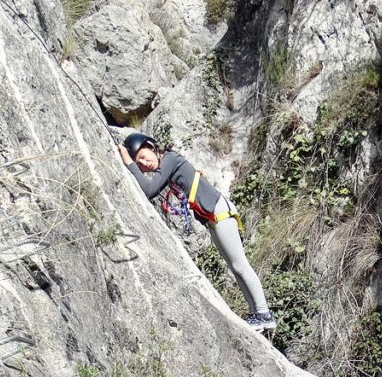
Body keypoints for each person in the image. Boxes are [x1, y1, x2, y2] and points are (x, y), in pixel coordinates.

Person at [117, 132, 275, 333]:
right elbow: (150, 189)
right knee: (235, 268)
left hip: (220, 212)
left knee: (240, 265)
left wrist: (128, 160)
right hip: (215, 217)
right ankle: (257, 315)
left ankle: (264, 313)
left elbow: (148, 189)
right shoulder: (167, 166)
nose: (143, 164)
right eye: (139, 164)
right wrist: (133, 163)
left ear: (152, 147)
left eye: (143, 157)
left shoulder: (170, 159)